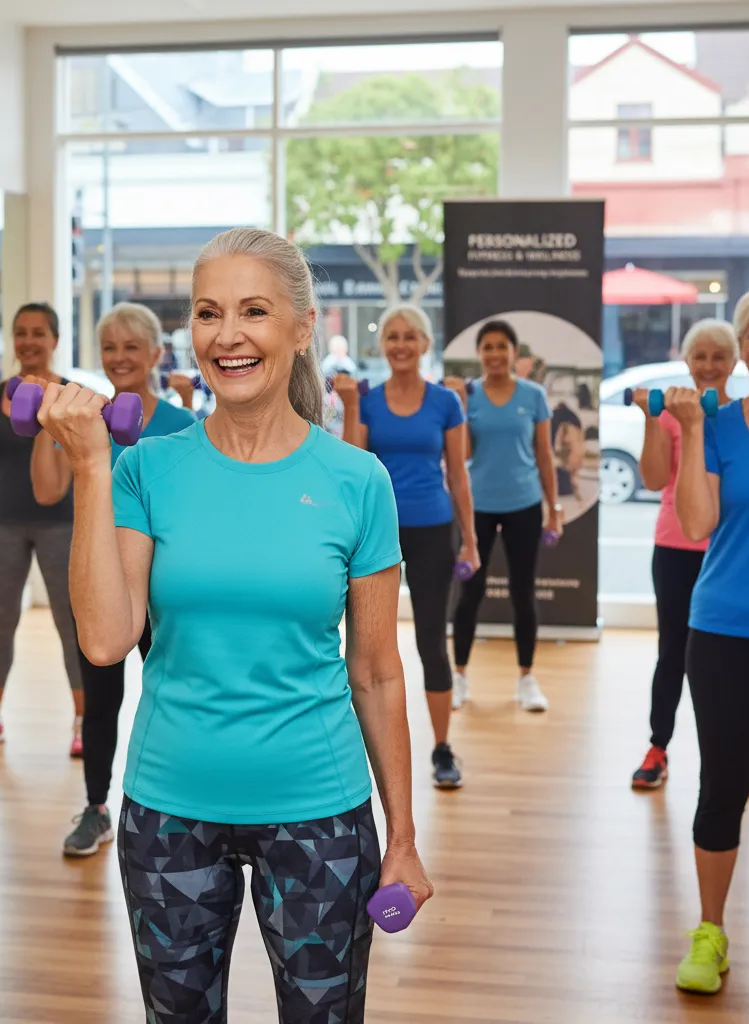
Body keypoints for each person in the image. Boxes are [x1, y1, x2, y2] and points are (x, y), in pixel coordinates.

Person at [34, 227, 432, 1022]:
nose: (227, 335)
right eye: (208, 313)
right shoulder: (144, 469)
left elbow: (377, 672)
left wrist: (403, 837)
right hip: (170, 811)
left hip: (320, 812)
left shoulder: (356, 481)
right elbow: (106, 641)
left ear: (302, 327)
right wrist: (89, 467)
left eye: (254, 311)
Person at [28, 301, 194, 857]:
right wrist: (45, 420)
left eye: (131, 346)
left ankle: (180, 804)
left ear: (156, 353)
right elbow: (47, 491)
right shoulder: (84, 419)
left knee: (169, 693)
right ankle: (97, 808)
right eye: (109, 347)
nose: (119, 357)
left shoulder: (182, 427)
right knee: (99, 701)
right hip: (99, 583)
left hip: (162, 588)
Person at [334, 303, 478, 789]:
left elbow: (458, 475)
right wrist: (351, 408)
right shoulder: (369, 401)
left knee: (431, 642)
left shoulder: (445, 402)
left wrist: (471, 541)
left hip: (433, 530)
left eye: (409, 336)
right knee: (368, 645)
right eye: (392, 337)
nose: (400, 345)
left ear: (424, 344)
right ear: (383, 346)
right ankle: (365, 747)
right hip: (377, 534)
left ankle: (442, 748)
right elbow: (353, 465)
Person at [668, 292, 749, 995]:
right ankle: (711, 930)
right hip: (724, 627)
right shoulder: (720, 423)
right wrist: (693, 429)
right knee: (723, 782)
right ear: (744, 346)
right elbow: (696, 523)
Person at [0, 302, 85, 757]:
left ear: (54, 340)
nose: (29, 341)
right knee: (3, 620)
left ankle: (83, 720)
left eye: (38, 333)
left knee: (69, 623)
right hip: (5, 521)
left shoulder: (70, 395)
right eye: (21, 333)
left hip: (61, 522)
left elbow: (78, 461)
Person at [628, 320, 739, 790]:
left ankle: (738, 757)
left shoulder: (740, 419)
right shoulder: (672, 412)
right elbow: (654, 480)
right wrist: (652, 418)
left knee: (735, 658)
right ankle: (658, 746)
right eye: (700, 356)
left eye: (719, 356)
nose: (709, 365)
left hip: (729, 553)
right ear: (687, 361)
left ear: (734, 362)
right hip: (676, 547)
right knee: (672, 650)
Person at [445, 320, 562, 712]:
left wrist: (554, 509)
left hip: (524, 505)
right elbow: (461, 456)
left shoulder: (534, 395)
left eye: (501, 346)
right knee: (470, 593)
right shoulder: (468, 395)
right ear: (479, 353)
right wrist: (461, 409)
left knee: (523, 593)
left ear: (514, 352)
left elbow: (544, 455)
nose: (494, 354)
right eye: (488, 347)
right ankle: (459, 676)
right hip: (477, 506)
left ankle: (527, 678)